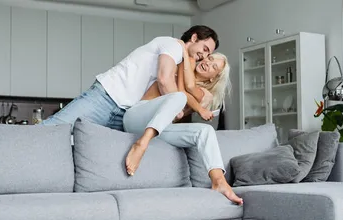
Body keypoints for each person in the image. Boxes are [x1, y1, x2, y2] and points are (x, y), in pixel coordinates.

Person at [122, 42, 243, 205]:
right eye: (210, 58)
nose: (208, 63)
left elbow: (177, 114)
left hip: (160, 127)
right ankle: (141, 144)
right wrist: (187, 58)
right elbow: (181, 93)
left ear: (214, 77)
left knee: (205, 131)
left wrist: (188, 110)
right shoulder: (180, 67)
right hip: (136, 117)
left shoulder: (203, 95)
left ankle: (219, 181)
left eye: (214, 66)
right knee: (179, 97)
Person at [41, 25, 219, 131]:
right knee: (52, 130)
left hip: (125, 113)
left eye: (208, 54)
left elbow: (181, 87)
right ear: (194, 38)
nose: (204, 56)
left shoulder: (181, 61)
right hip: (105, 98)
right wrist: (175, 109)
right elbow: (164, 80)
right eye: (204, 49)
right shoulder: (173, 45)